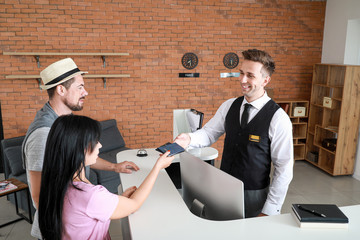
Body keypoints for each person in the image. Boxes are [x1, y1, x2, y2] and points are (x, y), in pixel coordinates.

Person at [21, 58, 139, 238]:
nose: (86, 92)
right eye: (80, 87)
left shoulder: (64, 121)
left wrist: (114, 167)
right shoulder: (43, 134)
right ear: (61, 89)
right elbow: (39, 196)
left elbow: (79, 155)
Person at [175, 49, 293, 218]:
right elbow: (209, 133)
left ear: (265, 80)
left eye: (250, 75)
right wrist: (189, 138)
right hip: (225, 187)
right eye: (241, 73)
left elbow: (284, 167)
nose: (243, 80)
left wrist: (270, 208)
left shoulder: (278, 118)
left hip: (255, 195)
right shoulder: (229, 105)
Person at [38, 115, 174, 239]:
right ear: (80, 148)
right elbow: (134, 205)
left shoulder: (58, 182)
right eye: (95, 141)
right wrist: (158, 167)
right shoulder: (88, 194)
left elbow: (90, 211)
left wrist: (114, 200)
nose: (100, 145)